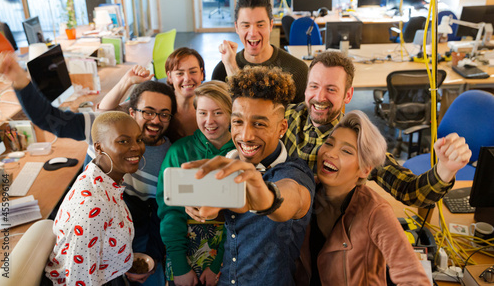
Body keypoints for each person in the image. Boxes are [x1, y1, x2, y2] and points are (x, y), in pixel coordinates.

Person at [0, 53, 175, 285]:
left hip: (126, 236)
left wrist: (150, 255)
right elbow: (50, 119)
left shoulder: (165, 157)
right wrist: (18, 79)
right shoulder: (106, 129)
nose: (155, 120)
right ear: (130, 111)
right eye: (148, 112)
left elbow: (162, 214)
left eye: (164, 114)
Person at [283, 51, 472, 207]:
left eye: (331, 89)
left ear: (348, 95)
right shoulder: (285, 117)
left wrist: (445, 169)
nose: (319, 96)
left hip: (330, 230)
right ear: (306, 89)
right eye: (314, 86)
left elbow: (409, 191)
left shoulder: (359, 140)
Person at [183, 66, 315, 286]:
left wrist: (261, 191)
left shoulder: (295, 173)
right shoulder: (228, 162)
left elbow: (288, 197)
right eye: (238, 122)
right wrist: (203, 205)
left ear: (282, 128)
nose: (245, 135)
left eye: (259, 124)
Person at [296, 110, 430, 285]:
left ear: (364, 170)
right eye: (329, 143)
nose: (330, 153)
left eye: (346, 151)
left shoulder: (376, 212)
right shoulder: (305, 191)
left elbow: (414, 278)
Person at [43, 111, 145, 286]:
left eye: (138, 139)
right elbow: (80, 280)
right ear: (98, 148)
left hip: (107, 273)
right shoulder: (93, 206)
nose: (136, 147)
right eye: (123, 141)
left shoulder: (100, 175)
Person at [157, 81, 235, 286]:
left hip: (232, 250)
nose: (209, 121)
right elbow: (169, 211)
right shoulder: (179, 152)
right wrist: (180, 266)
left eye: (218, 113)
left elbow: (243, 216)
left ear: (232, 113)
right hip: (182, 249)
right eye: (202, 113)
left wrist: (219, 263)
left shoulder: (242, 154)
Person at [211, 0, 308, 104]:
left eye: (260, 25)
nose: (252, 32)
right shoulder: (222, 70)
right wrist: (230, 67)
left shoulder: (298, 71)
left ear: (271, 25)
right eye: (246, 25)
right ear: (237, 27)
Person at [99, 47, 205, 142]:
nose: (187, 78)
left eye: (193, 72)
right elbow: (104, 113)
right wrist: (126, 81)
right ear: (169, 77)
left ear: (202, 74)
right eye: (179, 73)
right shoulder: (160, 101)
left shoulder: (211, 104)